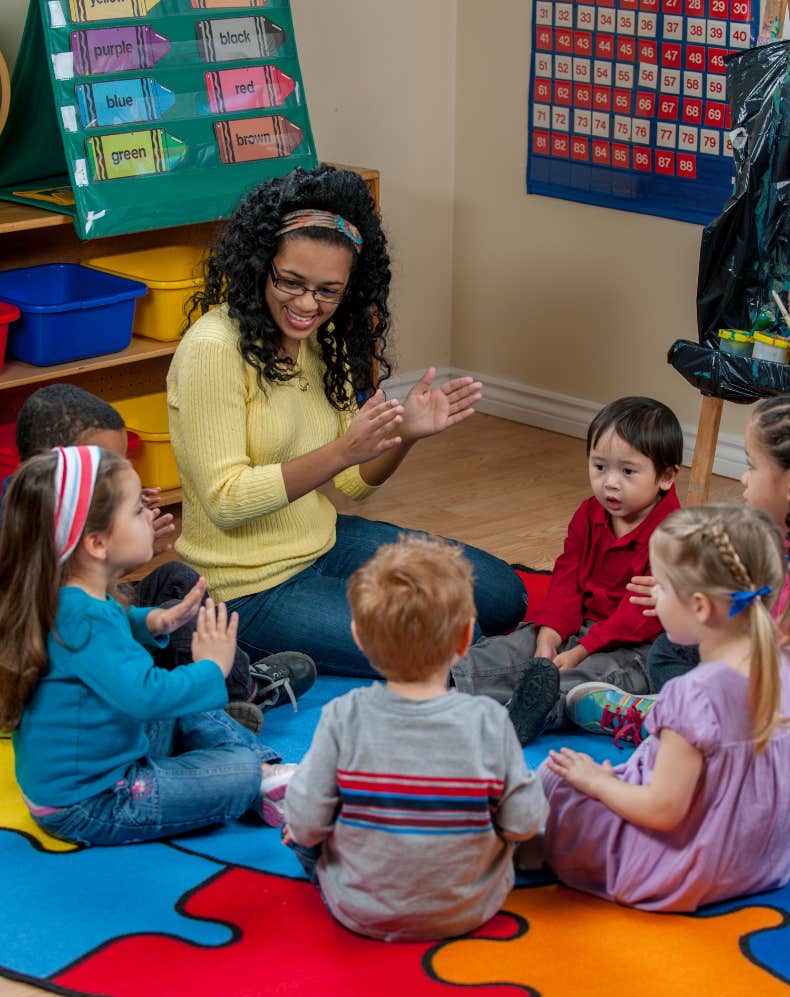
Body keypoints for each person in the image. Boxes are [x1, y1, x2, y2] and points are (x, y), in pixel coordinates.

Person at [167, 164, 526, 677]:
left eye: (327, 291)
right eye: (291, 282)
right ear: (259, 265)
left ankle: (486, 664)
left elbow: (353, 483)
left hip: (325, 541)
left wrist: (404, 435)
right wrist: (343, 450)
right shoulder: (213, 350)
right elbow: (226, 502)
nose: (307, 305)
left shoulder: (323, 340)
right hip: (246, 588)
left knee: (501, 595)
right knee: (436, 646)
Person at [541, 503, 790, 912]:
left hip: (685, 870)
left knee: (558, 782)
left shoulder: (692, 694)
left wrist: (596, 783)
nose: (653, 595)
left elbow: (662, 809)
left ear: (699, 607)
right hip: (762, 861)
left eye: (660, 585)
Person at [0, 446, 297, 846]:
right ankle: (258, 776)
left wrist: (153, 620)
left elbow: (109, 632)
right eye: (137, 512)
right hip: (95, 800)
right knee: (235, 766)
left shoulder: (65, 595)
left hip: (107, 755)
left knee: (187, 702)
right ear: (97, 544)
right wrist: (212, 667)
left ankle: (265, 776)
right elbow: (145, 696)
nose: (150, 517)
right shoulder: (85, 619)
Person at [571, 393, 790, 784]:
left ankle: (667, 720)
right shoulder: (788, 536)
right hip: (768, 680)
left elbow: (785, 685)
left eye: (752, 466)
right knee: (670, 649)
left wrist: (709, 627)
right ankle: (678, 715)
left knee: (713, 676)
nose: (743, 478)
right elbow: (750, 596)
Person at [3, 384, 317, 730]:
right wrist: (118, 556)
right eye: (106, 465)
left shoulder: (69, 512)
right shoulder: (19, 525)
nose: (117, 473)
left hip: (96, 632)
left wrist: (126, 538)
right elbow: (68, 617)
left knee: (175, 579)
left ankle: (228, 692)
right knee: (178, 617)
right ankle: (217, 700)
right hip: (72, 661)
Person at [282, 534, 548, 941]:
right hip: (470, 906)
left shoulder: (343, 716)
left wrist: (307, 831)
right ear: (465, 639)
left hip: (360, 908)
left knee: (302, 829)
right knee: (513, 810)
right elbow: (525, 819)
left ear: (359, 638)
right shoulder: (488, 720)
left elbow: (306, 821)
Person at [450, 396, 682, 744]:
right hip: (581, 628)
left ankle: (528, 714)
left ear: (665, 476)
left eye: (628, 472)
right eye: (599, 467)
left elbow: (638, 616)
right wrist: (551, 635)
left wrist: (580, 652)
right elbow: (567, 578)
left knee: (590, 679)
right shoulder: (588, 515)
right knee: (516, 648)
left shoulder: (675, 535)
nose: (610, 483)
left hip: (636, 646)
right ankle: (449, 678)